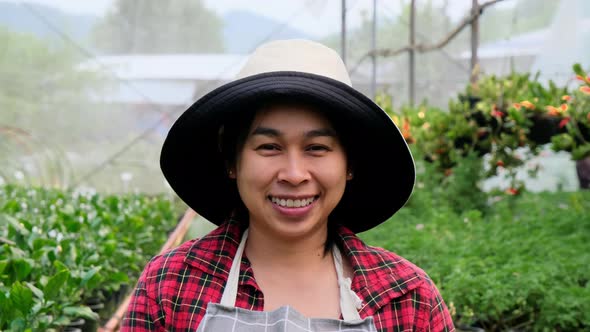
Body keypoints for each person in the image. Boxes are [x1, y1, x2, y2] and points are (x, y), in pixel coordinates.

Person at [121, 39, 454, 331]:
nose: (294, 174)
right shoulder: (171, 286)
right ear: (232, 162)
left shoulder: (408, 298)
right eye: (269, 147)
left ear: (349, 164)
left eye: (317, 148)